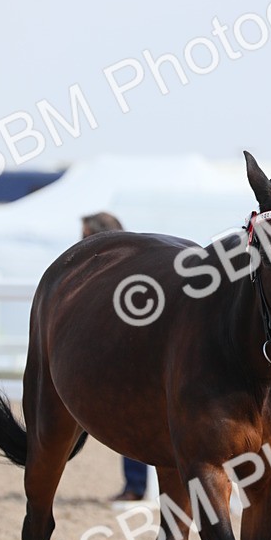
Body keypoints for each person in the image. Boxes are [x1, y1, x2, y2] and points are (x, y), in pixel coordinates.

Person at [81, 212, 153, 503]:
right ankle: (135, 486)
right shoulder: (134, 261)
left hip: (136, 359)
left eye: (85, 237)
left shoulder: (125, 266)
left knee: (137, 422)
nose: (80, 244)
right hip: (129, 358)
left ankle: (136, 487)